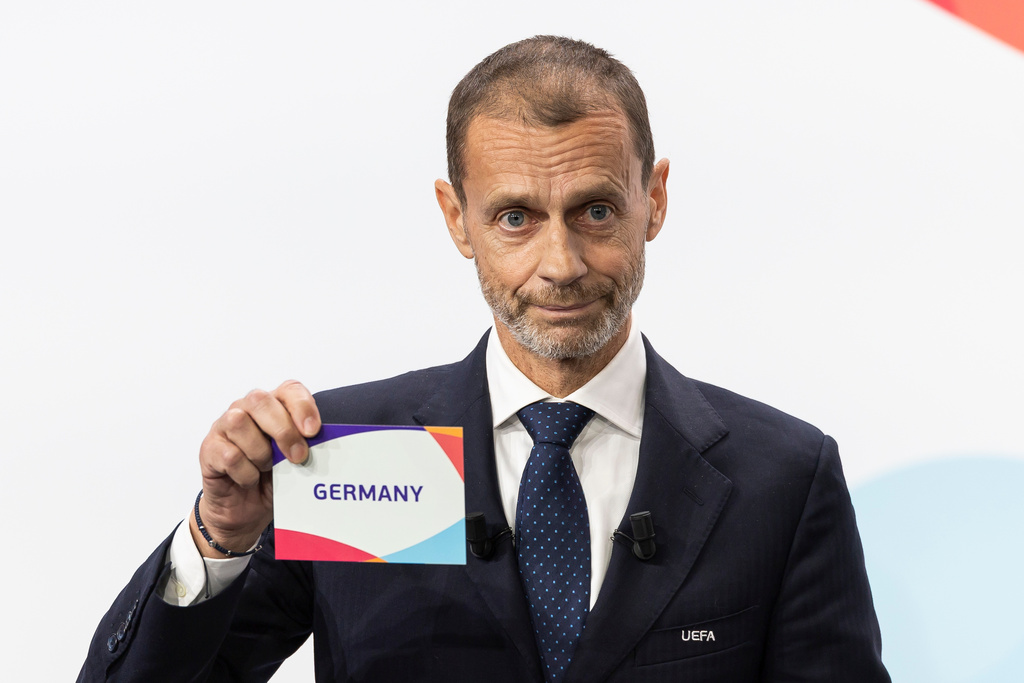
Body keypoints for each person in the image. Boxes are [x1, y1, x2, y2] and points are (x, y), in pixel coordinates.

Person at [79, 36, 890, 682]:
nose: (562, 261)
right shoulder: (341, 455)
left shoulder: (782, 479)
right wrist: (220, 537)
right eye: (514, 217)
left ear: (657, 200)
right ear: (456, 218)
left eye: (596, 209)